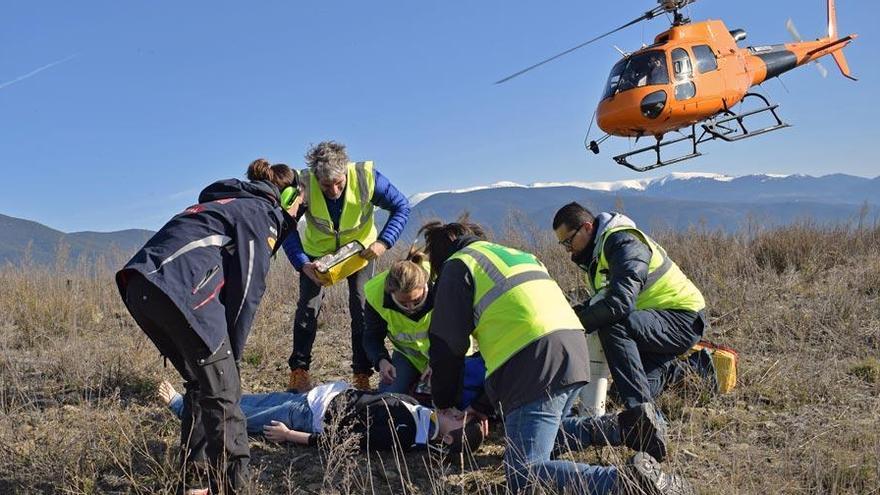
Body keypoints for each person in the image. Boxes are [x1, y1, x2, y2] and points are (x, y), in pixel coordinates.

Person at [422, 220, 693, 494]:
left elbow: (447, 347)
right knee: (553, 432)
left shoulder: (458, 266)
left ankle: (630, 484)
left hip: (534, 360)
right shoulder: (513, 255)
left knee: (524, 472)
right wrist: (481, 405)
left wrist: (445, 404)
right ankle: (626, 428)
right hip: (572, 346)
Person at [116, 159, 302, 495]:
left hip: (139, 286)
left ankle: (195, 484)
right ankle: (234, 488)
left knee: (202, 385)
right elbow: (248, 289)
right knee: (225, 395)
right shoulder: (262, 214)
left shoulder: (226, 203)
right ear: (288, 197)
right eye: (301, 205)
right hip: (180, 292)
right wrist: (232, 353)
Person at [552, 203, 708, 426]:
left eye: (568, 241)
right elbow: (605, 298)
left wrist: (575, 326)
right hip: (653, 320)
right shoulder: (598, 253)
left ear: (587, 227)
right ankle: (694, 369)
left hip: (682, 319)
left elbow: (619, 304)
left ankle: (645, 420)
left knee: (614, 326)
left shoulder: (623, 242)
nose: (567, 249)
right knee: (620, 392)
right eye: (562, 244)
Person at [283, 141, 410, 392]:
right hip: (316, 257)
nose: (334, 190)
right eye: (326, 185)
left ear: (346, 171)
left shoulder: (366, 177)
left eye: (339, 183)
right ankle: (299, 372)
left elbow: (402, 206)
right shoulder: (303, 184)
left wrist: (384, 242)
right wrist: (302, 263)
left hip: (359, 253)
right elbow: (285, 224)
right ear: (316, 177)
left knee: (361, 311)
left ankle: (361, 375)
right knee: (308, 310)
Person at [158, 380, 484, 454]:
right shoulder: (421, 413)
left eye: (460, 419)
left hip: (306, 416)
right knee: (241, 401)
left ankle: (182, 409)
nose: (457, 412)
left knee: (241, 417)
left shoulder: (403, 432)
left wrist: (288, 436)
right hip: (312, 398)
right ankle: (196, 400)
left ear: (449, 437)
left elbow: (342, 442)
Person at [362, 248, 486, 404]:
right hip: (408, 357)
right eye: (403, 303)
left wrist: (437, 362)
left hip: (450, 354)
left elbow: (459, 333)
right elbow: (372, 336)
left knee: (452, 400)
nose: (410, 308)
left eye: (416, 301)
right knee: (389, 399)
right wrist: (381, 360)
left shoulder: (444, 283)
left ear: (425, 287)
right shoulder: (376, 296)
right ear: (391, 293)